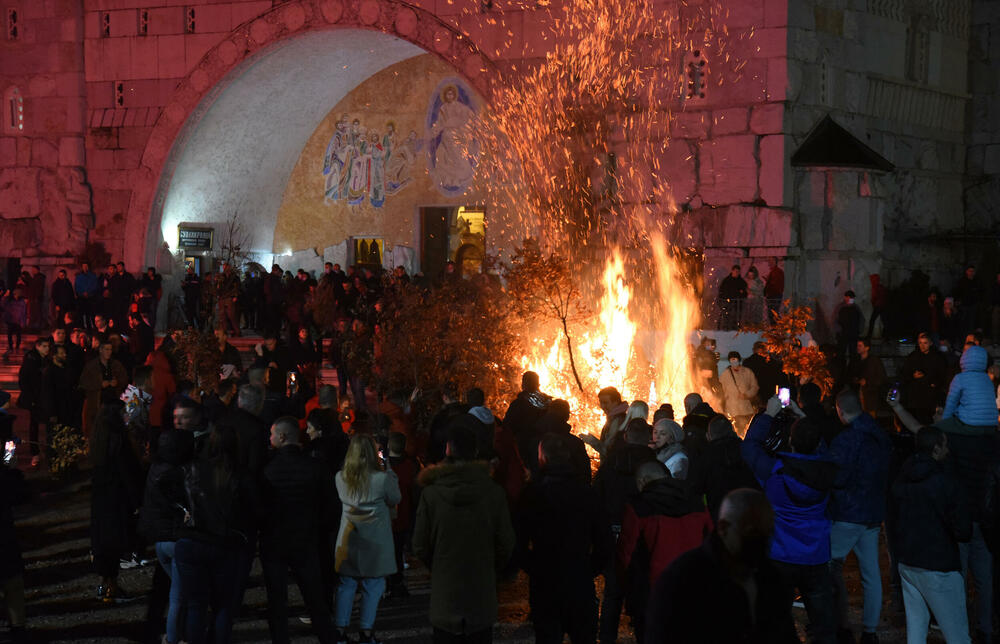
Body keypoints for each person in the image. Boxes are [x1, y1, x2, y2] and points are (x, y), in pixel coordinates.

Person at [644, 489, 798, 643]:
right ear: (723, 528)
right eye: (753, 532)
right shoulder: (683, 579)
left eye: (768, 532)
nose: (762, 541)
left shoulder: (769, 578)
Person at [741, 400, 837, 643]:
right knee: (823, 624)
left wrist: (769, 414)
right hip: (816, 556)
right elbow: (823, 450)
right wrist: (802, 414)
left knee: (775, 620)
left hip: (780, 556)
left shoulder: (775, 473)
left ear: (791, 442)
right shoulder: (826, 471)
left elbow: (750, 447)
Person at [412, 425, 515, 644]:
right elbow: (506, 542)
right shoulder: (493, 493)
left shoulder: (431, 494)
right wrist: (490, 566)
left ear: (448, 449)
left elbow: (420, 545)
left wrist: (438, 565)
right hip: (481, 591)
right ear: (475, 452)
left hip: (446, 593)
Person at [516, 433, 613, 644]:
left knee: (548, 636)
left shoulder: (533, 494)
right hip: (579, 580)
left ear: (543, 459)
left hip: (546, 582)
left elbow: (518, 541)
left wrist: (534, 567)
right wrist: (588, 568)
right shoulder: (586, 493)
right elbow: (605, 542)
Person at [260, 417, 339, 644]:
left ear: (282, 437)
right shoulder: (314, 467)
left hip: (274, 540)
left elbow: (259, 506)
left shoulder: (267, 469)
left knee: (277, 599)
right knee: (314, 596)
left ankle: (281, 639)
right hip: (306, 538)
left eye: (273, 434)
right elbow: (331, 506)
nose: (270, 438)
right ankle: (327, 636)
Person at [171, 426, 252, 644]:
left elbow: (170, 492)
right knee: (223, 605)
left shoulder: (193, 469)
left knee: (196, 604)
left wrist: (181, 517)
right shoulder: (238, 475)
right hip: (224, 544)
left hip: (193, 541)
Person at [892, 426, 972, 644]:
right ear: (936, 448)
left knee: (916, 634)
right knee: (958, 636)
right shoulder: (946, 481)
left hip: (908, 563)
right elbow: (963, 530)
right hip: (939, 566)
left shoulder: (902, 477)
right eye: (945, 445)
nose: (948, 449)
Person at [617, 460, 712, 643]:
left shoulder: (638, 506)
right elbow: (713, 542)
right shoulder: (697, 502)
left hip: (652, 594)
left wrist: (626, 587)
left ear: (643, 481)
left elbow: (625, 554)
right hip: (693, 589)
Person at [828, 390, 891, 644]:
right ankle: (870, 631)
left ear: (839, 411)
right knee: (871, 572)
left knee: (829, 565)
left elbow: (838, 476)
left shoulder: (846, 440)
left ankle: (838, 624)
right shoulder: (878, 434)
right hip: (873, 511)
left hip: (848, 512)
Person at [333, 434, 400, 644]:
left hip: (350, 537)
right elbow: (395, 498)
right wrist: (388, 468)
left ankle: (340, 630)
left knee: (347, 584)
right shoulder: (381, 479)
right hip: (375, 540)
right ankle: (366, 631)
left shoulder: (340, 477)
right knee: (373, 585)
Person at [593, 420, 655, 644]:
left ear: (627, 436)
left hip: (614, 532)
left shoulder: (611, 462)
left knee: (613, 591)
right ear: (647, 438)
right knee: (641, 590)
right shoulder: (654, 463)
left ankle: (607, 638)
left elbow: (596, 496)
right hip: (644, 535)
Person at [90, 404, 145, 604]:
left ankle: (104, 584)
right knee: (114, 543)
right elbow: (128, 472)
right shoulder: (119, 441)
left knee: (102, 543)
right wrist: (137, 499)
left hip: (101, 499)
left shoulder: (98, 440)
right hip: (117, 498)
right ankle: (111, 587)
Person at [700, 414, 759, 521]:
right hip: (749, 511)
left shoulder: (706, 456)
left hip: (720, 513)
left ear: (709, 435)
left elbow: (697, 487)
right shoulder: (746, 449)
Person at [0, 442, 28, 643]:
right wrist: (12, 470)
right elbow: (20, 494)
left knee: (12, 581)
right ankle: (17, 627)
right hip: (3, 533)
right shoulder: (4, 474)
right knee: (12, 581)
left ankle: (17, 626)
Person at [79, 340, 128, 440]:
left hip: (114, 401)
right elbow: (84, 383)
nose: (109, 352)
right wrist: (99, 384)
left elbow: (125, 379)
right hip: (98, 402)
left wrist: (117, 382)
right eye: (106, 349)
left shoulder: (116, 364)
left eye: (110, 349)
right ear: (100, 350)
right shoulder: (91, 366)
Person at [901, 332, 948, 425]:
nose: (922, 346)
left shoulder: (937, 358)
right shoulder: (913, 356)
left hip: (930, 395)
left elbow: (942, 374)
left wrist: (933, 382)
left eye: (925, 343)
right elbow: (904, 373)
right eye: (920, 343)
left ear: (930, 343)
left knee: (929, 420)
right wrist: (913, 376)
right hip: (916, 394)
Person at [17, 337, 50, 468]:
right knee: (34, 424)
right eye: (44, 346)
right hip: (35, 397)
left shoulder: (45, 359)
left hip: (43, 396)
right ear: (38, 346)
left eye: (48, 346)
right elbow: (24, 379)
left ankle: (44, 450)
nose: (47, 349)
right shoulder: (32, 359)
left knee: (41, 423)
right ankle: (35, 453)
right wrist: (30, 397)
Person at [580, 386, 629, 457]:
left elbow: (609, 451)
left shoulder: (618, 421)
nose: (602, 406)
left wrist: (592, 441)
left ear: (616, 402)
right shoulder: (614, 418)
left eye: (605, 403)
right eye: (601, 402)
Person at [720, 351, 759, 436]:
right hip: (733, 410)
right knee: (737, 431)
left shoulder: (748, 372)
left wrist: (747, 395)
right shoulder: (725, 374)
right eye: (732, 360)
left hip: (746, 408)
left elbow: (754, 387)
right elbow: (721, 390)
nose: (734, 362)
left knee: (748, 430)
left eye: (735, 359)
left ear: (739, 360)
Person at [848, 338, 885, 417]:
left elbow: (881, 377)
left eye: (860, 345)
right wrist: (854, 380)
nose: (858, 347)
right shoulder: (855, 361)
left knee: (870, 418)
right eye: (857, 345)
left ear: (867, 348)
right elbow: (849, 375)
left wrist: (867, 382)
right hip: (857, 396)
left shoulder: (874, 361)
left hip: (870, 397)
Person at [836, 290, 864, 361]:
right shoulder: (840, 307)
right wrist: (838, 330)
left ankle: (853, 368)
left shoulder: (856, 308)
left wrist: (859, 330)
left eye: (851, 298)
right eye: (848, 297)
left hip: (853, 334)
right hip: (843, 334)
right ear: (845, 297)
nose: (850, 299)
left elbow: (861, 319)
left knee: (853, 353)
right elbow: (835, 319)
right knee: (841, 353)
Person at [75, 262, 100, 331]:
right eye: (84, 266)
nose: (85, 268)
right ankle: (83, 327)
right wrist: (82, 293)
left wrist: (89, 293)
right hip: (82, 298)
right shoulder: (79, 277)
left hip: (90, 298)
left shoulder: (93, 276)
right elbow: (77, 286)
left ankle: (91, 328)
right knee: (82, 314)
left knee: (90, 314)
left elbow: (95, 286)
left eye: (86, 266)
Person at [764, 257, 785, 322]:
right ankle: (775, 327)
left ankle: (775, 327)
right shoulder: (775, 271)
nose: (769, 263)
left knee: (773, 313)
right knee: (773, 313)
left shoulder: (777, 272)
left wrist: (768, 283)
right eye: (769, 261)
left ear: (775, 262)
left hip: (774, 295)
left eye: (771, 261)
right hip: (774, 295)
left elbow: (775, 285)